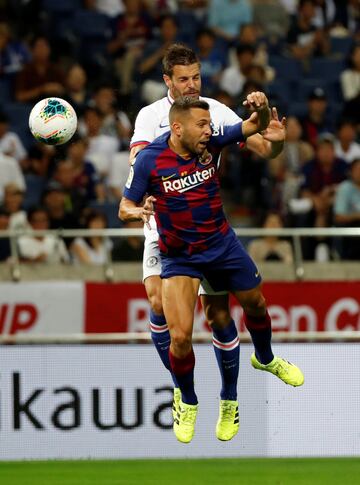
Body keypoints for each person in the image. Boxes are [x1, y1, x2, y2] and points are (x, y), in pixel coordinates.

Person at [126, 43, 290, 442]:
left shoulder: (214, 112)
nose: (191, 84)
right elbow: (138, 166)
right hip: (162, 229)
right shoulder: (150, 117)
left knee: (219, 316)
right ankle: (184, 395)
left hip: (209, 230)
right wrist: (139, 202)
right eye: (183, 78)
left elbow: (266, 147)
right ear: (168, 81)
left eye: (196, 76)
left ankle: (228, 399)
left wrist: (276, 135)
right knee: (159, 305)